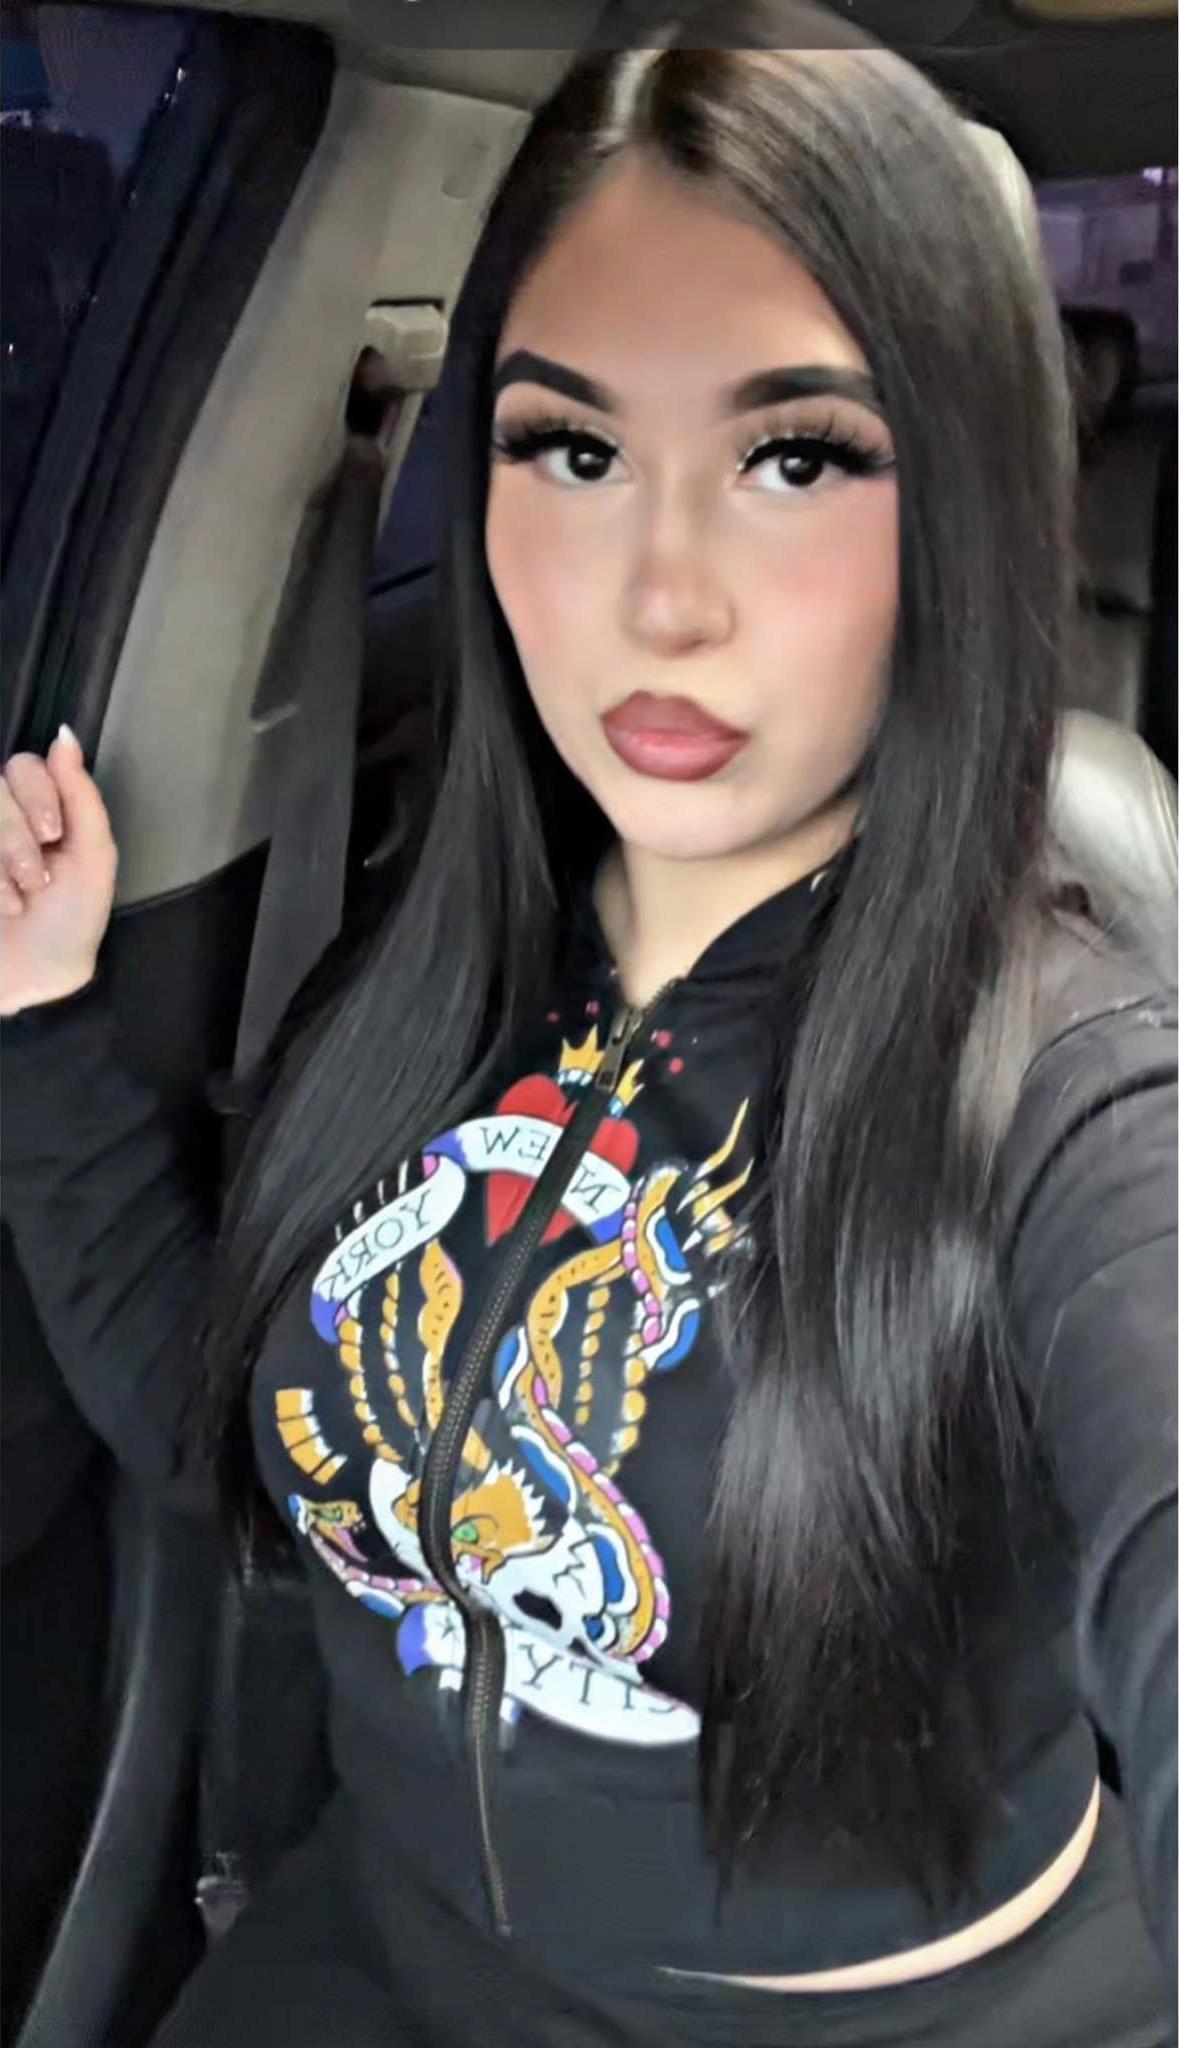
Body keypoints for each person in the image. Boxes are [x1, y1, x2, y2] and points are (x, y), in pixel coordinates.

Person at [1, 7, 1176, 2043]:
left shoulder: (1071, 1090)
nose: (659, 593)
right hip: (375, 1949)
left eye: (793, 458)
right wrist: (38, 1029)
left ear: (965, 505)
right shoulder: (438, 969)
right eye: (573, 447)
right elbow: (238, 1438)